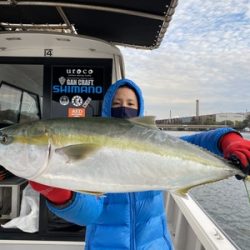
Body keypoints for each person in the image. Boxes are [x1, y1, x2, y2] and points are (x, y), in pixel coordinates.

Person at [30, 78, 250, 250]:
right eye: (116, 104)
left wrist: (230, 141)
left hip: (155, 245)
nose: (123, 108)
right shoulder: (89, 160)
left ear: (140, 109)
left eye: (130, 104)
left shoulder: (159, 145)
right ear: (107, 109)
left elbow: (205, 140)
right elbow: (89, 214)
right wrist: (60, 195)